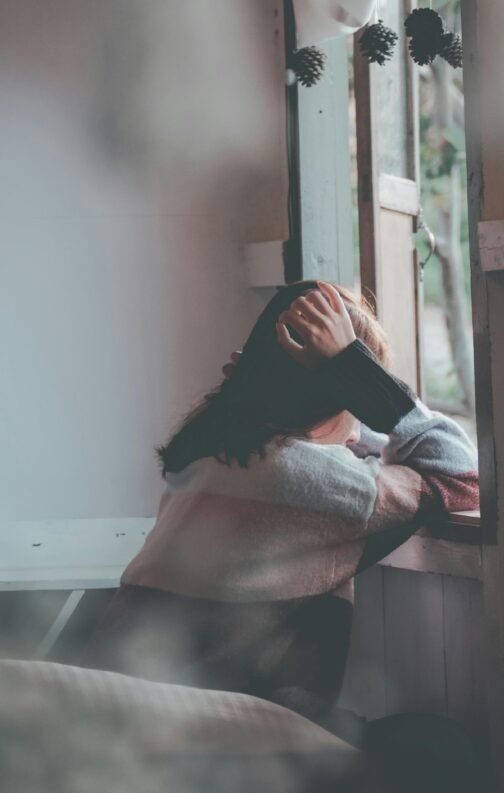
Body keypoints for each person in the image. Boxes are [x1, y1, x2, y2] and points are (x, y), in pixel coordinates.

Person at [80, 279, 479, 727]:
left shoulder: (209, 452)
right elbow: (459, 473)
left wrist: (316, 395)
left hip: (110, 710)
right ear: (343, 396)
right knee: (436, 748)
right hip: (210, 736)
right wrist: (358, 373)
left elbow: (327, 450)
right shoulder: (309, 481)